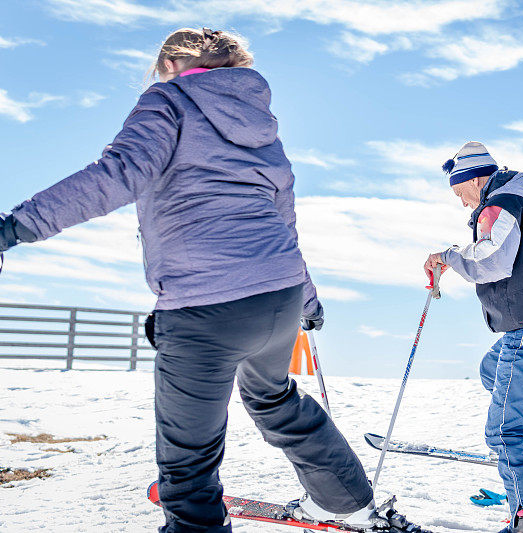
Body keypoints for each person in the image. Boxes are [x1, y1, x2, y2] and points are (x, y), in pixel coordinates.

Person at [0, 28, 394, 533]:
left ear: (170, 64)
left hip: (207, 304)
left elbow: (119, 172)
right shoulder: (262, 126)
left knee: (188, 461)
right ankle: (347, 501)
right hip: (277, 296)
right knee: (275, 399)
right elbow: (282, 218)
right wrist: (307, 299)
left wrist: (14, 226)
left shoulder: (168, 100)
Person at [424, 142, 523, 533]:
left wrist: (447, 256)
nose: (462, 203)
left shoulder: (500, 204)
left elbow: (491, 263)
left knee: (503, 433)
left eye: (459, 192)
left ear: (473, 179)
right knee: (490, 370)